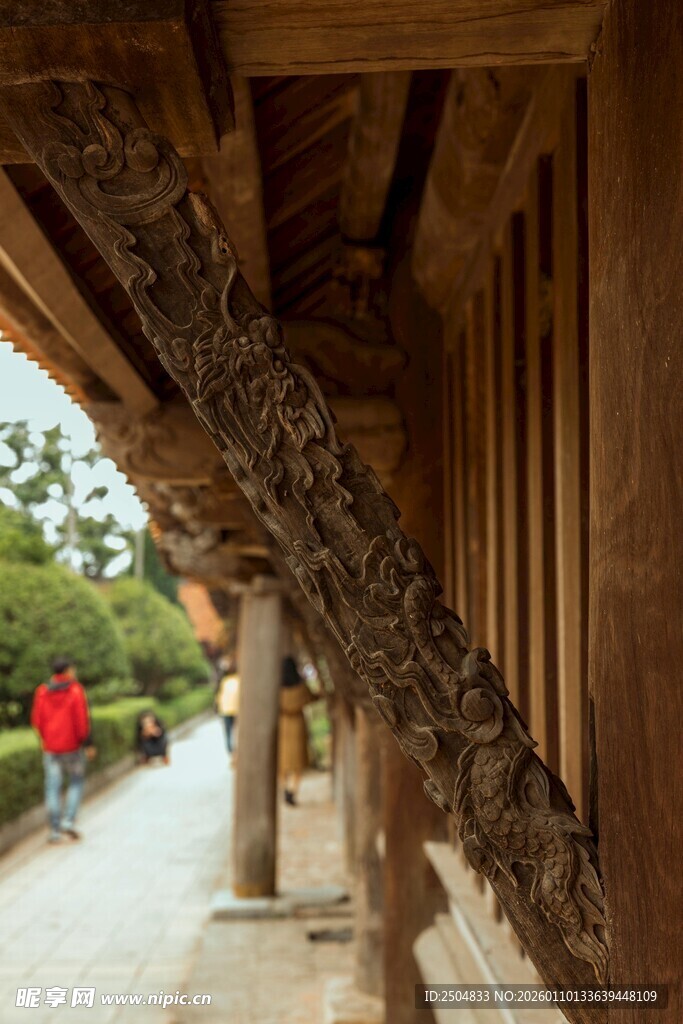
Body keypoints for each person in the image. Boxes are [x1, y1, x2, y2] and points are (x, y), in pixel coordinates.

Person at [31, 656, 96, 844]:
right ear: (67, 671)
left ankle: (54, 830)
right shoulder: (75, 691)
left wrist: (47, 739)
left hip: (51, 749)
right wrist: (85, 742)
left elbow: (37, 721)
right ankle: (68, 821)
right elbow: (82, 722)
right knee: (76, 782)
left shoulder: (42, 691)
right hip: (72, 748)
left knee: (52, 787)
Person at [278, 656, 315, 806]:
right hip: (298, 726)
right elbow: (311, 698)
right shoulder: (301, 687)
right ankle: (292, 790)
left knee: (283, 763)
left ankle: (285, 788)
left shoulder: (277, 689)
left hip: (283, 725)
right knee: (297, 763)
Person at [216, 661, 240, 757]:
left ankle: (230, 750)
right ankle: (235, 749)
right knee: (236, 730)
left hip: (225, 709)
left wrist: (218, 708)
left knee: (228, 731)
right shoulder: (238, 680)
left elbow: (220, 696)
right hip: (235, 708)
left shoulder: (224, 681)